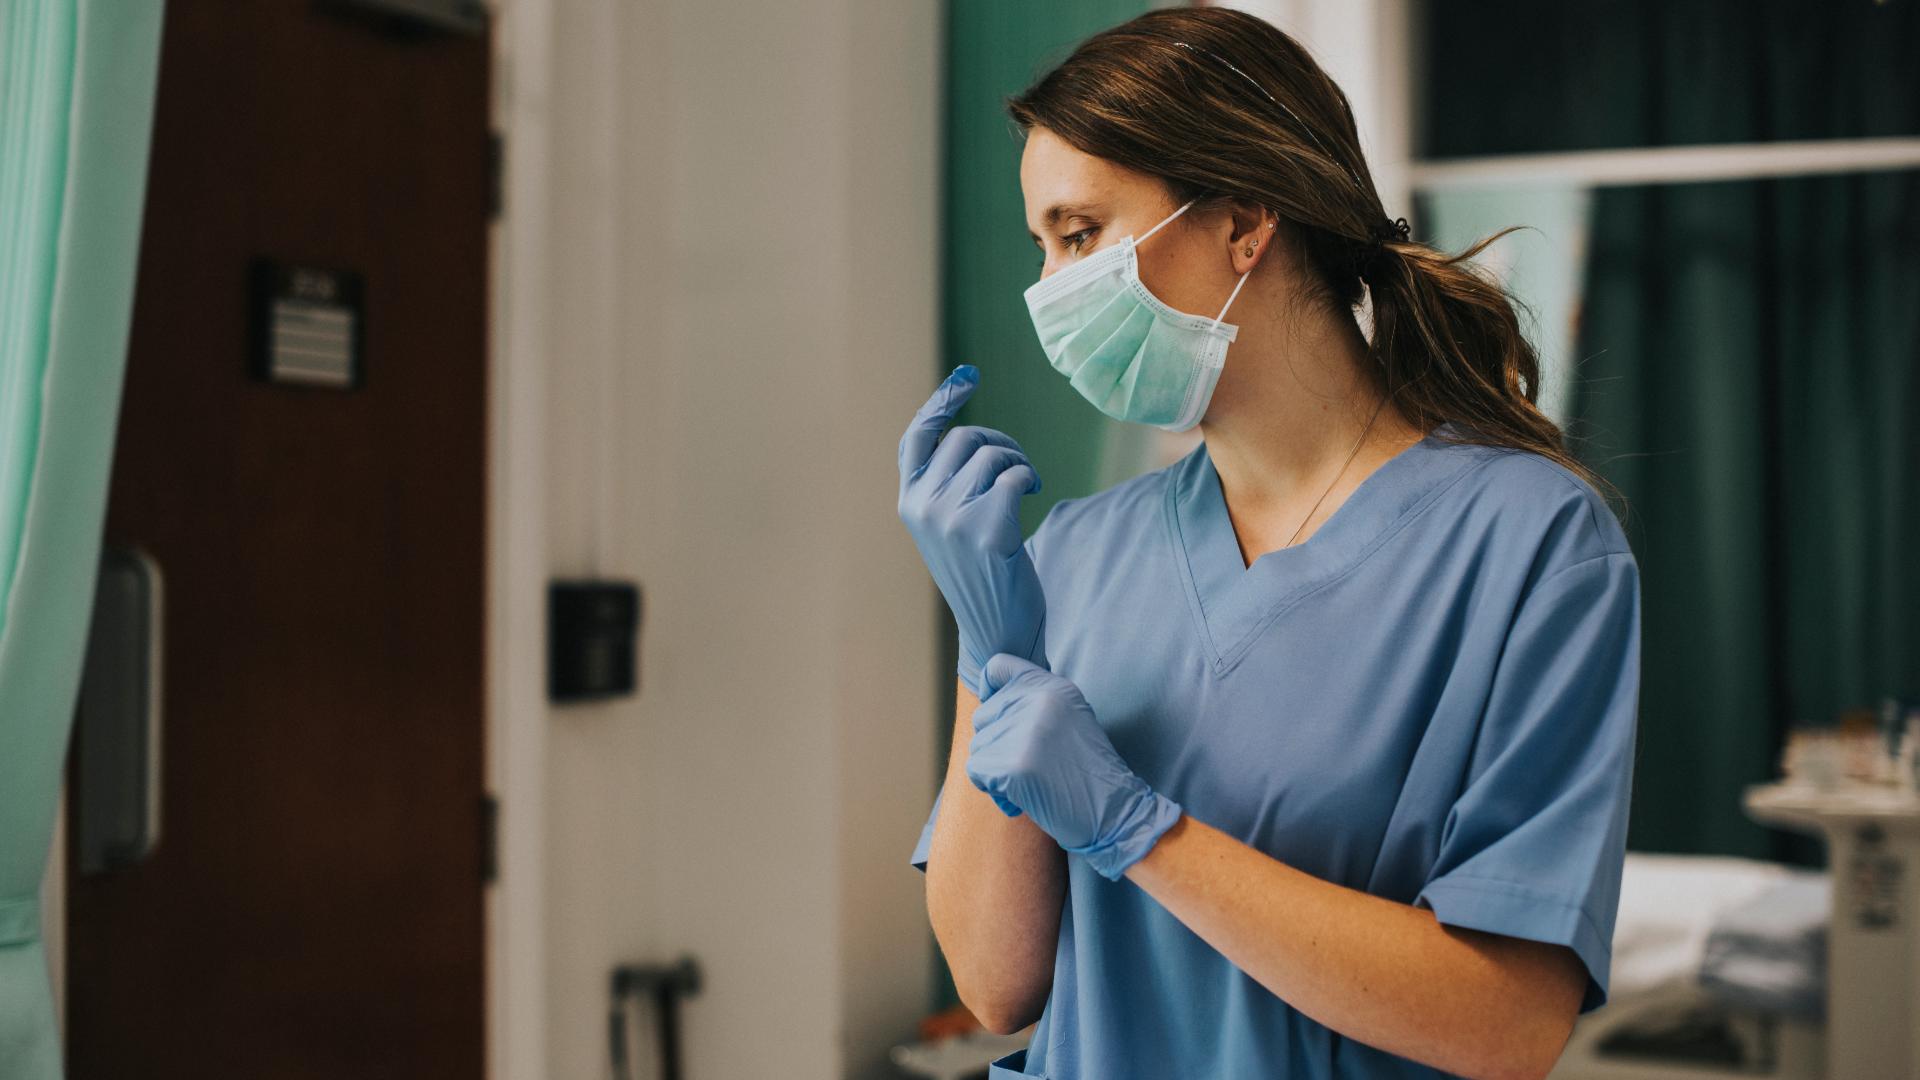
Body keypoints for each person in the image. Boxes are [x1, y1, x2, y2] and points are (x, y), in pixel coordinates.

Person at [896, 8, 1641, 1080]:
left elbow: (1506, 1023)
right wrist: (993, 651)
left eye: (1081, 233)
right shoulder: (1066, 558)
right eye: (1042, 246)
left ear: (1245, 220)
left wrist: (1139, 830)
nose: (1053, 291)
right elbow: (995, 983)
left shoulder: (1529, 542)